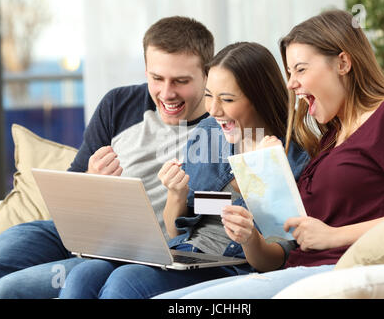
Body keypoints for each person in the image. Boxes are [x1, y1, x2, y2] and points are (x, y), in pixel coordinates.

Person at [155, 9, 384, 299]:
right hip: (291, 270)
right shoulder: (330, 138)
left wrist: (334, 235)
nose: (290, 84)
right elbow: (274, 256)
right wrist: (253, 226)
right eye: (289, 73)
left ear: (343, 63)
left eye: (300, 70)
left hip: (334, 271)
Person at [0, 16, 214, 299]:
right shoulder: (118, 104)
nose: (167, 93)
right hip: (68, 231)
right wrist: (91, 181)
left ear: (207, 74)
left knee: (7, 291)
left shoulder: (219, 128)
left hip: (125, 255)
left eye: (181, 81)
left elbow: (208, 217)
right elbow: (69, 191)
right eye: (157, 78)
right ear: (146, 70)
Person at [57, 42, 309, 299]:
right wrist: (177, 194)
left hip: (231, 266)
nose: (213, 110)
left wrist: (249, 235)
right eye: (209, 95)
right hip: (184, 252)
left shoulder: (293, 159)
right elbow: (177, 227)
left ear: (259, 98)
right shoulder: (211, 132)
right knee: (82, 276)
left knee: (126, 282)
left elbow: (275, 259)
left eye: (228, 99)